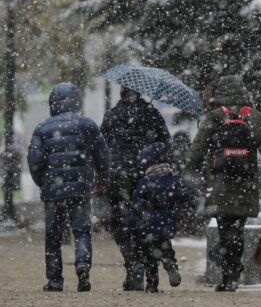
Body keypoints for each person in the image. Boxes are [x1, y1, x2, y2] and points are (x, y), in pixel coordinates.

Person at [186, 75, 261, 292]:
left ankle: (229, 273)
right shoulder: (255, 117)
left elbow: (196, 152)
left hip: (220, 180)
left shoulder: (214, 116)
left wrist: (189, 172)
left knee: (226, 226)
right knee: (238, 226)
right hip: (246, 180)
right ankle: (233, 270)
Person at [27, 83, 109, 292]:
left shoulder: (43, 128)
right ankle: (82, 266)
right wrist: (101, 177)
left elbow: (34, 161)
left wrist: (42, 182)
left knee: (53, 236)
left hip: (53, 191)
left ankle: (55, 280)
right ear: (76, 101)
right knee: (81, 231)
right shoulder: (88, 125)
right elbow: (103, 155)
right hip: (81, 189)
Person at [100, 86, 171, 291]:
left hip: (117, 175)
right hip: (145, 174)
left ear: (122, 92)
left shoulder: (112, 115)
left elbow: (101, 146)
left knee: (120, 222)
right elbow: (165, 142)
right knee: (143, 221)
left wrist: (102, 174)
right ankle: (146, 265)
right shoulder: (151, 113)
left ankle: (132, 263)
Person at [131, 142, 191, 293]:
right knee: (165, 246)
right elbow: (185, 196)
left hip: (147, 223)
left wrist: (134, 219)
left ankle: (152, 283)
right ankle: (169, 262)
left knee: (148, 254)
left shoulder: (145, 182)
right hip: (167, 222)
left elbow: (136, 203)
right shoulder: (173, 181)